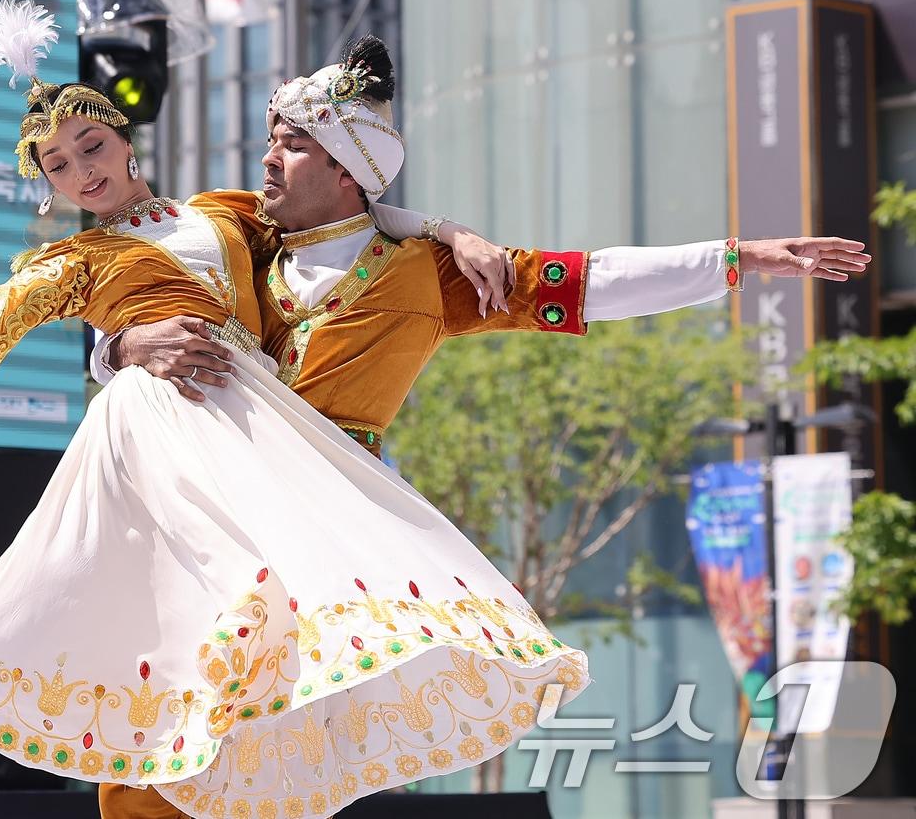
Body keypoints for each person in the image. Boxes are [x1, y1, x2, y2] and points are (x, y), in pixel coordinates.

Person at [0, 1, 577, 819]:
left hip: (246, 433)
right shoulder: (71, 263)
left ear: (121, 139)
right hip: (141, 437)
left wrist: (452, 230)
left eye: (89, 146)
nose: (80, 169)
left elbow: (357, 215)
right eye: (58, 164)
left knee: (249, 611)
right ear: (45, 184)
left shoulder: (226, 217)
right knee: (32, 602)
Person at [85, 41, 870, 819]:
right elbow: (112, 293)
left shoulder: (427, 272)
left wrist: (740, 257)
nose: (266, 161)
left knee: (261, 749)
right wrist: (119, 347)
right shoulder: (235, 232)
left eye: (291, 146)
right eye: (270, 141)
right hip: (206, 509)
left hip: (317, 534)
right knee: (149, 729)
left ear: (346, 170)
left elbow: (588, 280)